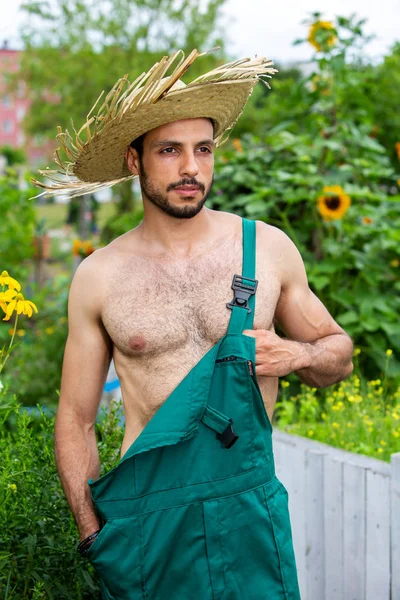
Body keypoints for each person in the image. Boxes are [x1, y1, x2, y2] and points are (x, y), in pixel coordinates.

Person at [34, 50, 353, 599]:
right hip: (147, 518)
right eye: (169, 151)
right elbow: (76, 419)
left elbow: (339, 354)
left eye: (203, 149)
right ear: (135, 161)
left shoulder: (266, 248)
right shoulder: (100, 275)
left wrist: (297, 356)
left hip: (247, 505)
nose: (190, 168)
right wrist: (94, 535)